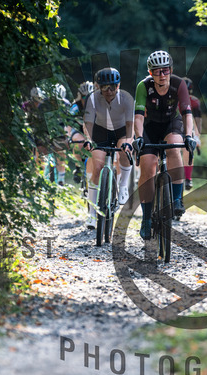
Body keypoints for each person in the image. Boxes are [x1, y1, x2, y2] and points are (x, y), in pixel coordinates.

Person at [134, 50, 196, 239]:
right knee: (148, 166)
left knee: (175, 147)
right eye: (157, 71)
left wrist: (188, 135)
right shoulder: (143, 86)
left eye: (165, 70)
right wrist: (138, 137)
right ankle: (146, 219)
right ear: (150, 73)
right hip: (150, 127)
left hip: (171, 124)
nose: (162, 75)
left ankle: (177, 199)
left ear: (171, 70)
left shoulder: (179, 84)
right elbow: (138, 117)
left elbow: (187, 114)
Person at [83, 68, 134, 229]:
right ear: (98, 87)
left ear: (118, 85)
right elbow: (88, 123)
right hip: (101, 132)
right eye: (105, 87)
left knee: (124, 151)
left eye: (113, 86)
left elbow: (131, 125)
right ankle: (92, 214)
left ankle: (123, 185)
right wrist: (88, 139)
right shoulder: (92, 98)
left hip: (121, 131)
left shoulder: (126, 98)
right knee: (97, 166)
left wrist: (129, 142)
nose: (109, 91)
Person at [182, 77, 202, 191]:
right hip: (175, 127)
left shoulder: (194, 102)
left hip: (188, 129)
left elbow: (197, 121)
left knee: (188, 149)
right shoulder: (174, 99)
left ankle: (188, 177)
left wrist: (197, 137)